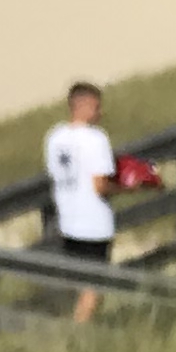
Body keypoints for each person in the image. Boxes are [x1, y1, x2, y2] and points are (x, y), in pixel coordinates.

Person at [44, 79, 118, 321]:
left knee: (81, 284)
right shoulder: (96, 139)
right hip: (94, 224)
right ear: (83, 106)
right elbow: (100, 185)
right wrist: (129, 187)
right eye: (97, 107)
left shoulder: (54, 137)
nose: (100, 113)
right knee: (94, 288)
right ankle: (77, 332)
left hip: (68, 221)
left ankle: (73, 322)